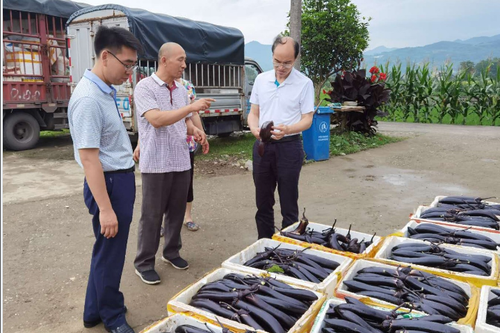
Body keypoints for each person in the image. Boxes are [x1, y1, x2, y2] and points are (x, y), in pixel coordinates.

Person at [68, 26, 142, 333]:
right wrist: (107, 209)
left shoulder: (103, 90)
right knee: (111, 254)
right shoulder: (88, 99)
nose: (130, 71)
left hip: (116, 179)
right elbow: (89, 159)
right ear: (105, 56)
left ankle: (93, 311)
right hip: (108, 186)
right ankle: (113, 317)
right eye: (127, 64)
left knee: (105, 249)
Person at [132, 42, 214, 285]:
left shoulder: (180, 89)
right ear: (164, 60)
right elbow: (156, 119)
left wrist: (196, 131)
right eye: (180, 59)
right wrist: (191, 107)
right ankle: (144, 262)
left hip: (180, 159)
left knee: (177, 211)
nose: (184, 65)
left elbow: (184, 122)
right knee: (152, 215)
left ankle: (171, 252)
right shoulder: (144, 87)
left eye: (185, 59)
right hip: (156, 162)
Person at [247, 35, 314, 239]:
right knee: (263, 202)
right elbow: (254, 113)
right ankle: (264, 244)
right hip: (263, 147)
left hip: (290, 147)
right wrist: (254, 128)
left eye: (287, 62)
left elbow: (307, 120)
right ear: (272, 56)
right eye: (277, 61)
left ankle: (288, 246)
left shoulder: (304, 83)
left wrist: (289, 129)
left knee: (289, 202)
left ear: (295, 59)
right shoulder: (261, 80)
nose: (281, 66)